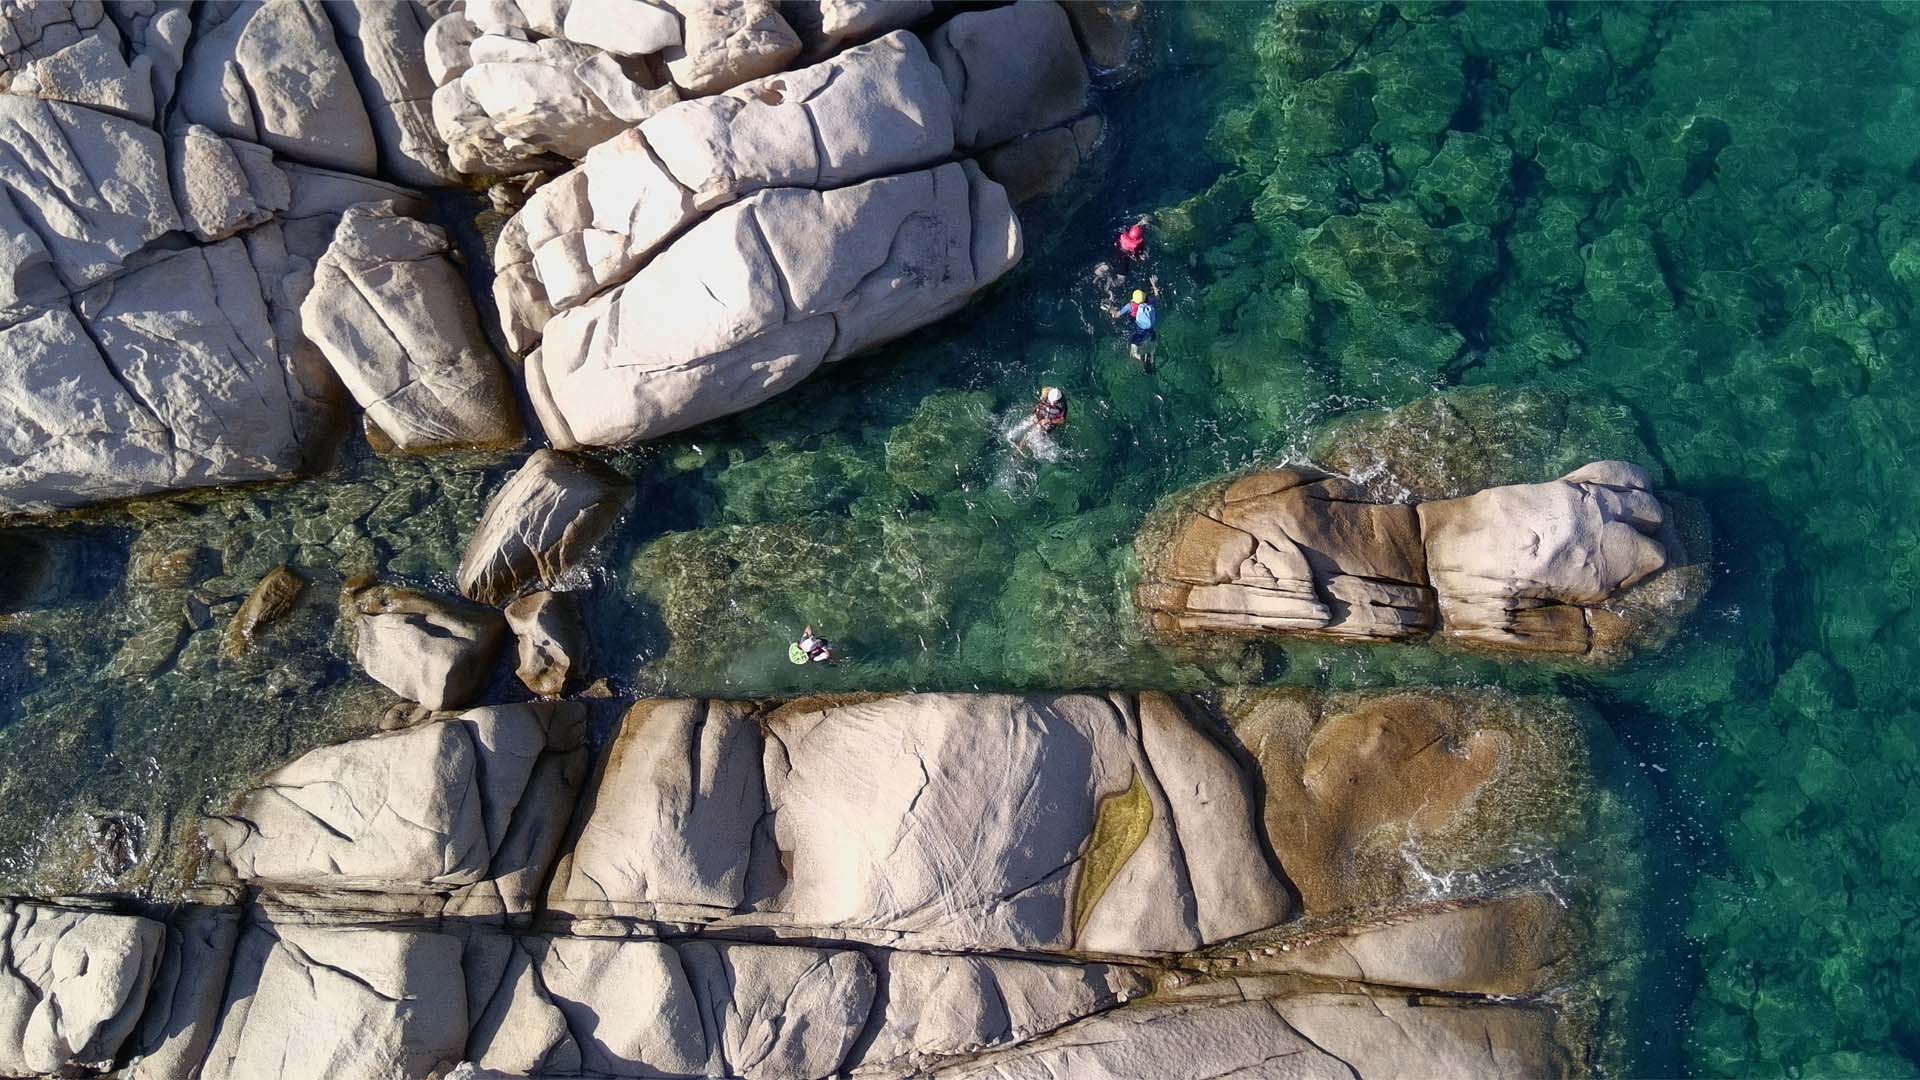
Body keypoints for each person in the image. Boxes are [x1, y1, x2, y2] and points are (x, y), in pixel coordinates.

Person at [1109, 278, 1160, 368]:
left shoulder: (1130, 306)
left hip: (1140, 329)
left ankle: (1143, 358)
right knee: (1152, 343)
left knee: (1133, 353)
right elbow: (1157, 297)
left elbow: (1116, 315)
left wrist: (1110, 309)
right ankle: (1151, 360)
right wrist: (1154, 285)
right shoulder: (1149, 301)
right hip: (1151, 328)